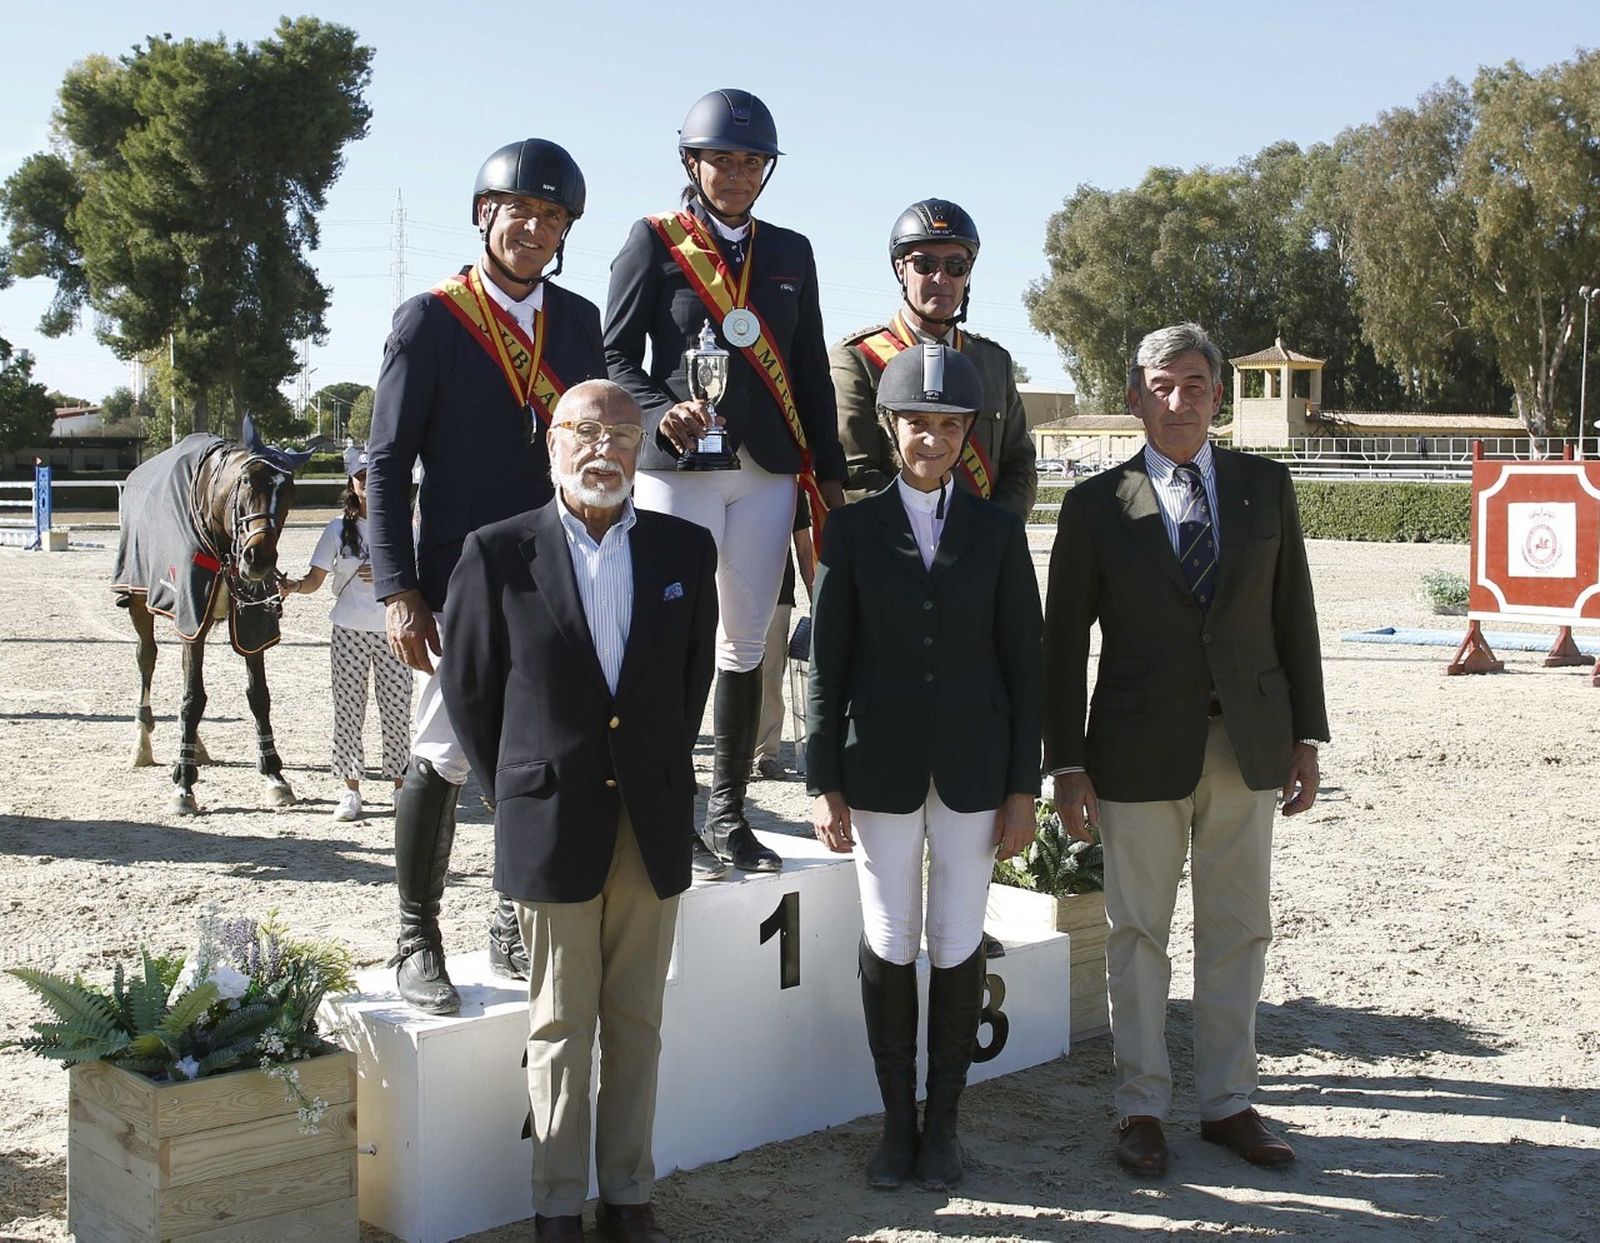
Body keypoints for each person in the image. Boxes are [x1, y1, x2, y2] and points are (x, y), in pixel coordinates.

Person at [1042, 323, 1329, 1177]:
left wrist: (1305, 735)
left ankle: (1228, 1101)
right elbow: (1062, 648)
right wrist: (1067, 764)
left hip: (1248, 745)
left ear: (1218, 396)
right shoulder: (1096, 505)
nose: (1179, 401)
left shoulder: (1266, 487)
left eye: (1195, 384)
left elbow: (1294, 619)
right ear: (1135, 396)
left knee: (1239, 929)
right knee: (1138, 932)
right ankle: (1141, 1106)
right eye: (1162, 386)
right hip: (1133, 752)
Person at [441, 380, 716, 1243]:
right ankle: (557, 1204)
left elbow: (690, 681)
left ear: (643, 450)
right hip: (552, 823)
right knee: (560, 1023)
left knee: (637, 1019)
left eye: (623, 434)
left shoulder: (685, 549)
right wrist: (521, 787)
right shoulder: (495, 552)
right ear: (552, 443)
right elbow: (471, 690)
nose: (604, 449)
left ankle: (628, 1195)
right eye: (584, 431)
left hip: (652, 821)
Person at [366, 138, 606, 1015]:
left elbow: (594, 448)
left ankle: (510, 915)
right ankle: (416, 933)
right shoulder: (429, 319)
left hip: (554, 573)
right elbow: (389, 465)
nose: (534, 230)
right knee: (442, 756)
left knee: (536, 750)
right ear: (483, 215)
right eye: (521, 213)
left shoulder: (578, 322)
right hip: (457, 580)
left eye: (553, 219)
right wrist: (398, 587)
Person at [807, 344, 1041, 1190]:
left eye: (948, 425)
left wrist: (1025, 787)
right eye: (917, 424)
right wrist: (821, 779)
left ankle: (944, 1124)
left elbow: (1026, 664)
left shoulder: (1000, 530)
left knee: (953, 938)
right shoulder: (853, 529)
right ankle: (895, 1125)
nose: (932, 439)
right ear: (891, 426)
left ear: (968, 433)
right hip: (879, 769)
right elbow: (829, 664)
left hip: (976, 770)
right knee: (890, 936)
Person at [604, 88, 847, 881]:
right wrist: (657, 407)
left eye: (751, 163)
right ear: (692, 163)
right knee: (671, 639)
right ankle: (667, 811)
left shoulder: (792, 251)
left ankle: (729, 811)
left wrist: (831, 482)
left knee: (747, 643)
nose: (737, 175)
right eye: (722, 160)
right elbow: (612, 358)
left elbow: (809, 371)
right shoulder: (653, 241)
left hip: (767, 470)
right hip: (678, 468)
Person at [831, 198, 1036, 521]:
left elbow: (1019, 466)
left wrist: (993, 538)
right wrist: (922, 539)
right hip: (895, 550)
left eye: (956, 267)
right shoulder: (857, 360)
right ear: (901, 268)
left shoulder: (993, 363)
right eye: (925, 265)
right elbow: (854, 472)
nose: (941, 279)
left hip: (981, 550)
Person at [280, 444, 412, 821]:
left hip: (392, 630)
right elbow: (316, 580)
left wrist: (390, 576)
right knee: (349, 710)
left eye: (374, 476)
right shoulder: (339, 529)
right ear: (351, 483)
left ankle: (400, 785)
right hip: (349, 631)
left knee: (397, 710)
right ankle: (351, 789)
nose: (368, 483)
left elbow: (420, 577)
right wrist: (293, 587)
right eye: (360, 477)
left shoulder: (403, 526)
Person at [751, 495, 814, 780]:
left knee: (771, 674)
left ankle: (766, 753)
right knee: (725, 670)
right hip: (726, 586)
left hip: (778, 589)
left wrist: (817, 598)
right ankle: (731, 754)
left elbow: (803, 545)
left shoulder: (789, 484)